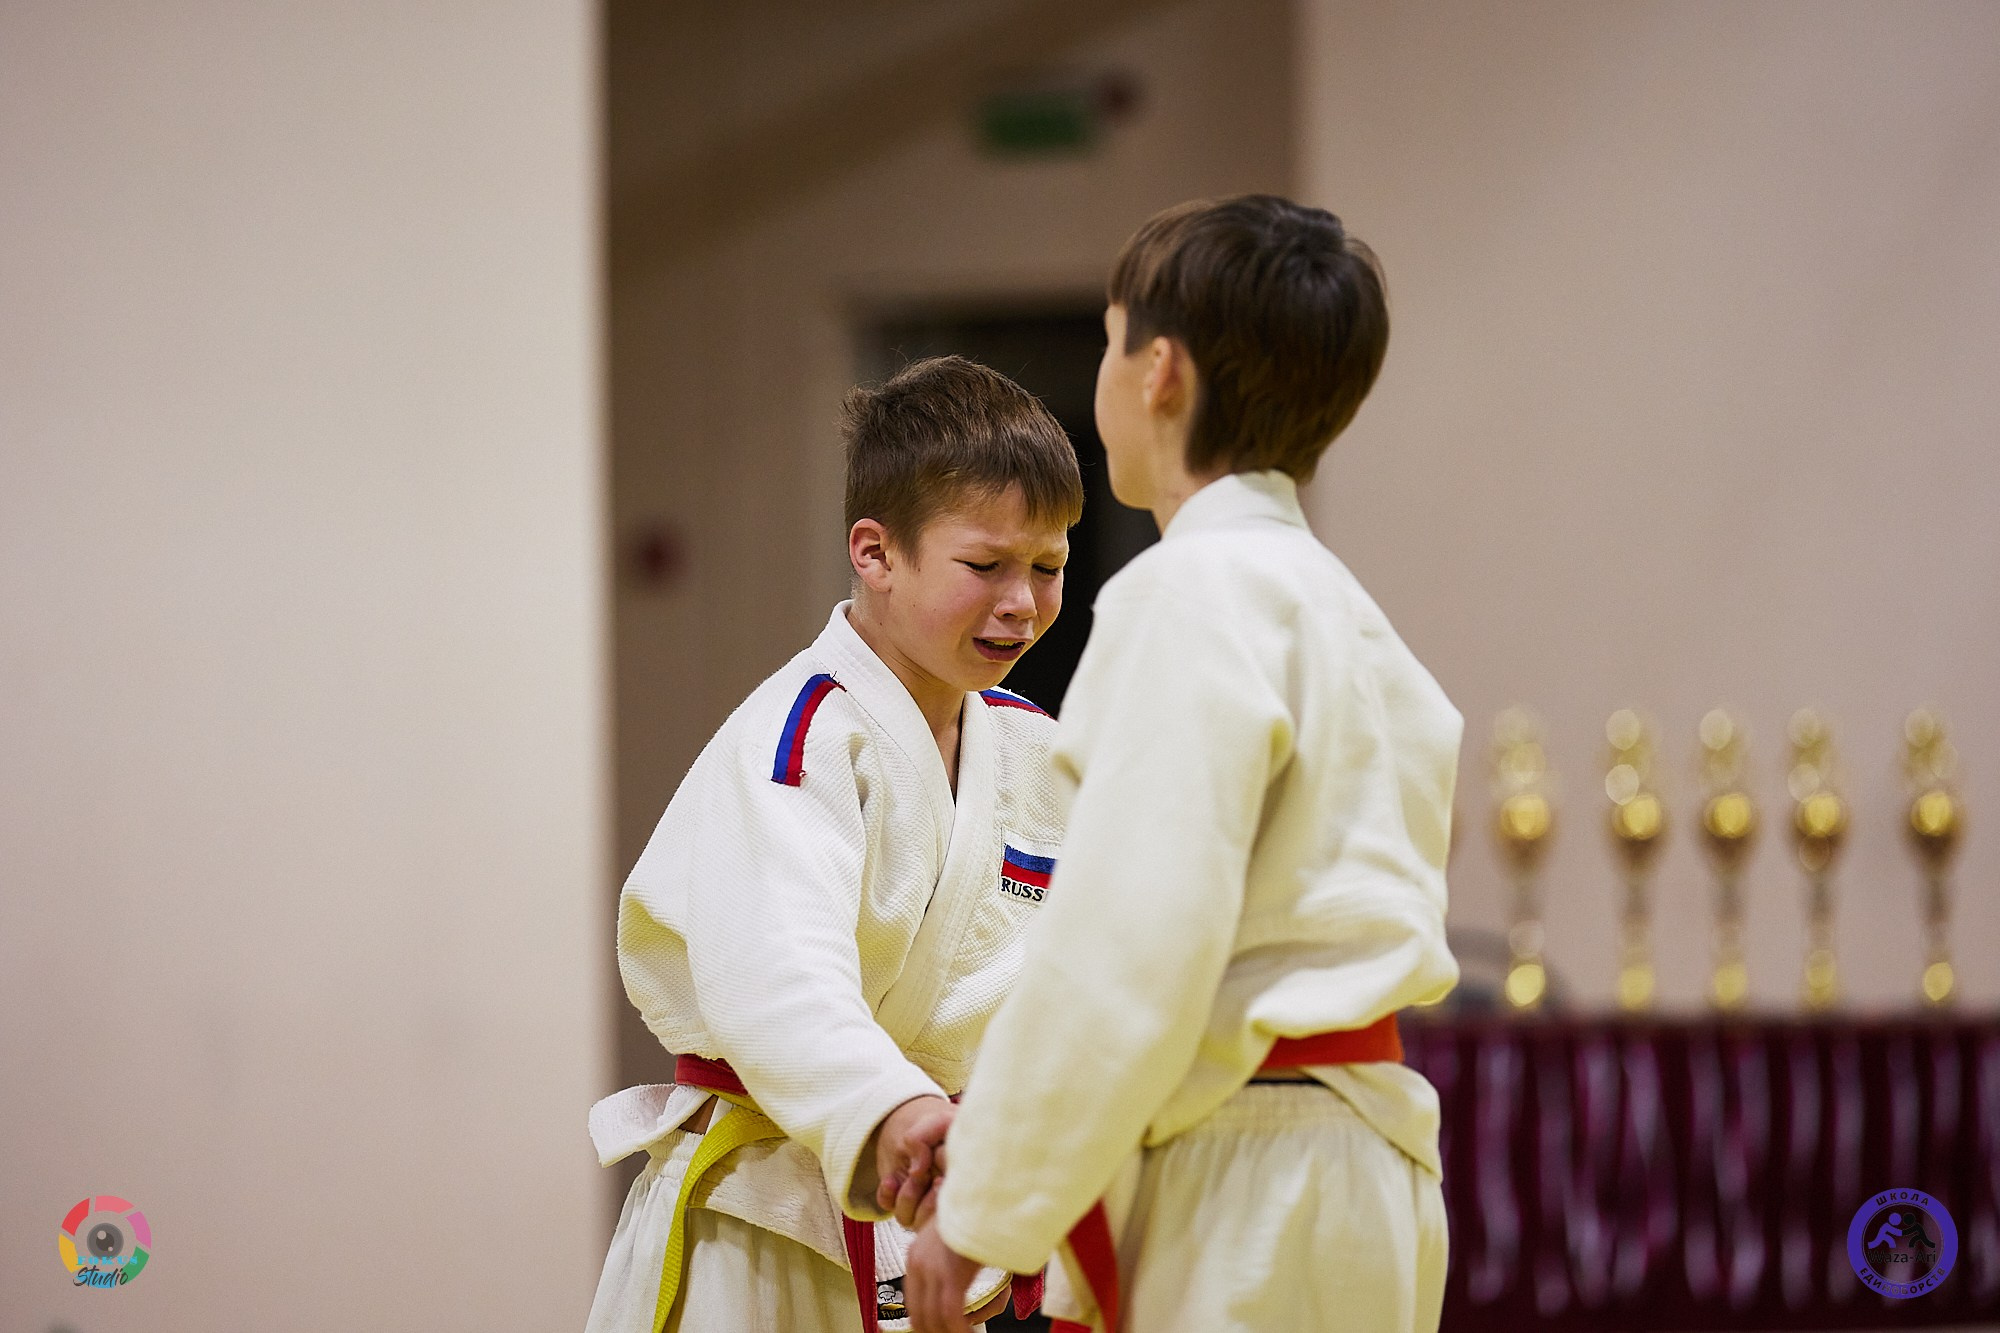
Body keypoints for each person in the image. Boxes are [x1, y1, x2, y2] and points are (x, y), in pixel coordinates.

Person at [904, 196, 1462, 1333]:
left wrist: (986, 1208)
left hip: (1248, 1179)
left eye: (1109, 340)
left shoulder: (1187, 595)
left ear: (1157, 370)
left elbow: (1128, 949)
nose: (1103, 375)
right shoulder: (1346, 615)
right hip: (1358, 1165)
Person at [584, 355, 1082, 1333]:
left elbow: (1082, 978)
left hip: (945, 1216)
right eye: (984, 565)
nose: (1020, 600)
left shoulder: (1038, 748)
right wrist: (893, 1111)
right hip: (763, 1226)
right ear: (875, 552)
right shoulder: (799, 740)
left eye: (1048, 566)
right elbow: (776, 975)